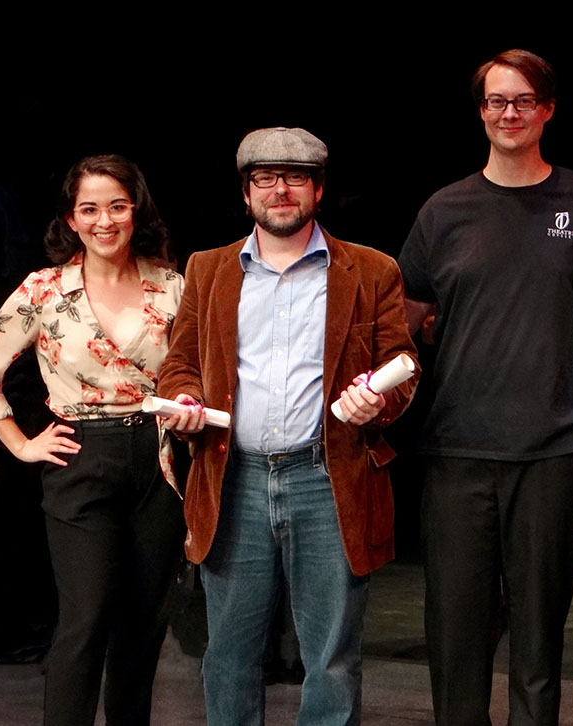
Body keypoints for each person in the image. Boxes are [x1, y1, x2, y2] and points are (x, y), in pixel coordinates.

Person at [398, 49, 573, 725]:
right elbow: (406, 324)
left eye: (523, 100)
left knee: (538, 641)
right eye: (497, 101)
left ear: (547, 110)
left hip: (554, 450)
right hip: (457, 449)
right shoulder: (445, 211)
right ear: (481, 113)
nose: (510, 113)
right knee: (456, 636)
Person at [158, 126, 419, 726]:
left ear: (318, 189)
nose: (280, 190)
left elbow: (401, 371)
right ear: (246, 193)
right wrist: (184, 397)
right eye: (265, 178)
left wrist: (376, 403)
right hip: (234, 478)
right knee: (228, 655)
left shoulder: (372, 270)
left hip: (328, 479)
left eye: (295, 177)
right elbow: (181, 362)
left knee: (330, 659)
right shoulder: (208, 269)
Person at [0, 155, 186, 725]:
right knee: (86, 619)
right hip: (80, 457)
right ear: (71, 219)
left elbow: (198, 371)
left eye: (117, 206)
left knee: (144, 624)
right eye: (89, 208)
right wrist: (21, 444)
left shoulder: (171, 286)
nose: (104, 220)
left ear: (135, 211)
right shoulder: (44, 289)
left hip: (160, 461)